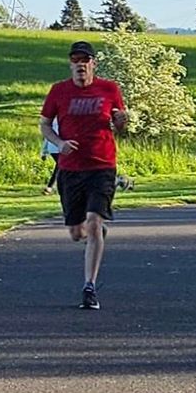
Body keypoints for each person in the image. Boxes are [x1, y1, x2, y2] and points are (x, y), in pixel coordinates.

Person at [39, 40, 128, 311]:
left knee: (93, 220)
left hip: (102, 166)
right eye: (75, 60)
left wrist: (122, 122)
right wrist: (60, 143)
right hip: (70, 169)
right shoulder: (58, 91)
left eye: (85, 60)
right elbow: (44, 125)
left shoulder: (109, 89)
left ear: (93, 64)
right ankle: (93, 231)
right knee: (76, 232)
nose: (80, 64)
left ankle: (89, 286)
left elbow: (119, 122)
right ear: (70, 64)